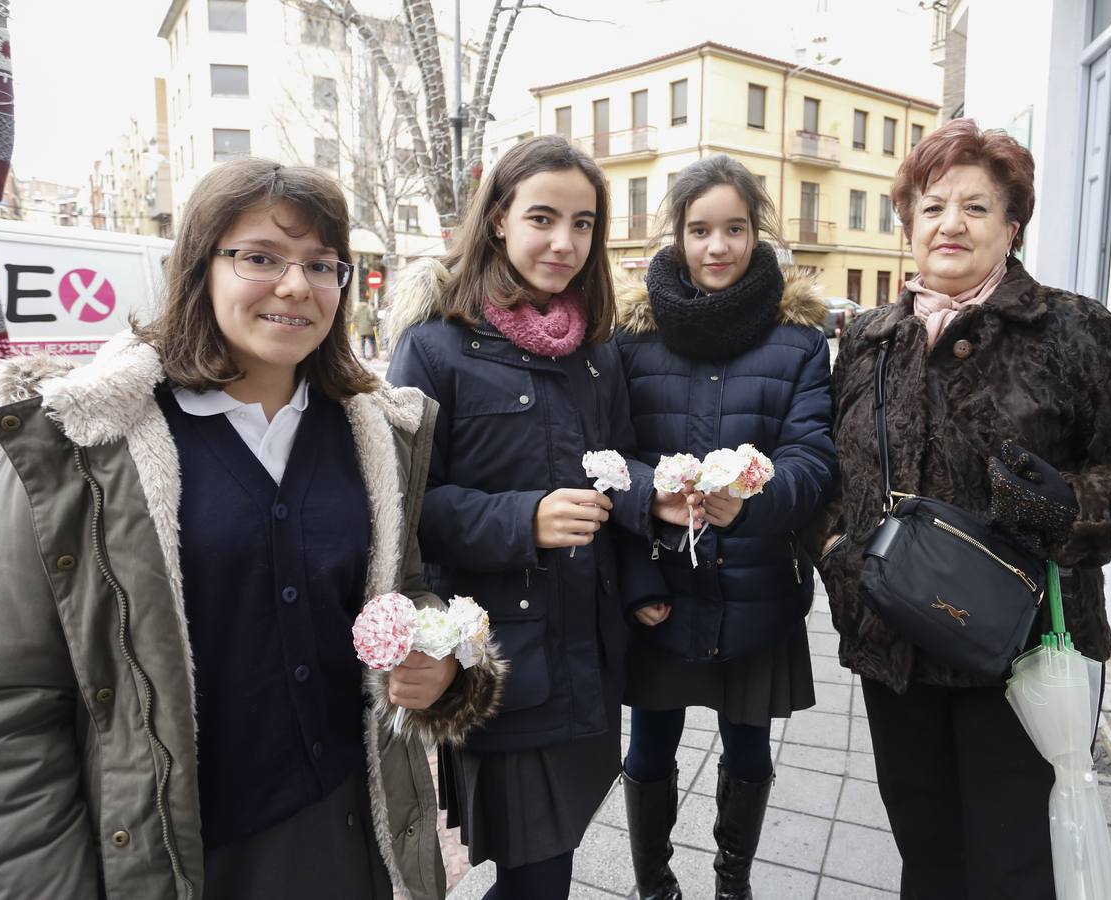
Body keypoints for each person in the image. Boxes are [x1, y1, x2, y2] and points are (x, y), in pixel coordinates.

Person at [0, 158, 504, 900]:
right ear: (199, 267)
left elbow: (405, 589)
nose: (296, 286)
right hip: (175, 855)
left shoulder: (377, 435)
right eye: (261, 257)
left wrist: (445, 662)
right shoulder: (84, 447)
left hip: (346, 834)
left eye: (322, 265)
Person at [822, 118, 1111, 899]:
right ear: (909, 224)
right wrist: (839, 554)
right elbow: (840, 476)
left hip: (1022, 657)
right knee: (928, 855)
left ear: (1011, 228)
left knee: (1015, 868)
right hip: (897, 652)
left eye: (976, 208)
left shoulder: (1072, 331)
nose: (951, 223)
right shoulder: (872, 340)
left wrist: (1069, 504)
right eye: (932, 206)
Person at [384, 135, 680, 900]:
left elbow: (616, 462)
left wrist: (648, 539)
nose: (564, 241)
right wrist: (526, 519)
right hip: (504, 657)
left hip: (591, 650)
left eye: (583, 224)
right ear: (497, 221)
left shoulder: (596, 350)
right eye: (543, 218)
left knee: (558, 853)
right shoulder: (435, 346)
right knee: (537, 874)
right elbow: (405, 510)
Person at [613, 154, 838, 900]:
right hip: (663, 589)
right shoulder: (630, 341)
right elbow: (611, 463)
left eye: (734, 229)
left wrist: (756, 498)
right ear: (675, 235)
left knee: (748, 743)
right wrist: (639, 567)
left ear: (756, 234)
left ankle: (731, 883)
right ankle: (653, 886)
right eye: (700, 229)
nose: (718, 247)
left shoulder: (799, 341)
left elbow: (813, 457)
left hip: (757, 588)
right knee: (649, 745)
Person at [354, 295, 379, 359]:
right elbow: (372, 318)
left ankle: (363, 355)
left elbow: (354, 318)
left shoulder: (357, 309)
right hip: (369, 328)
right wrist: (374, 324)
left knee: (362, 342)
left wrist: (357, 325)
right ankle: (374, 355)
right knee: (373, 341)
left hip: (361, 329)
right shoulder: (369, 308)